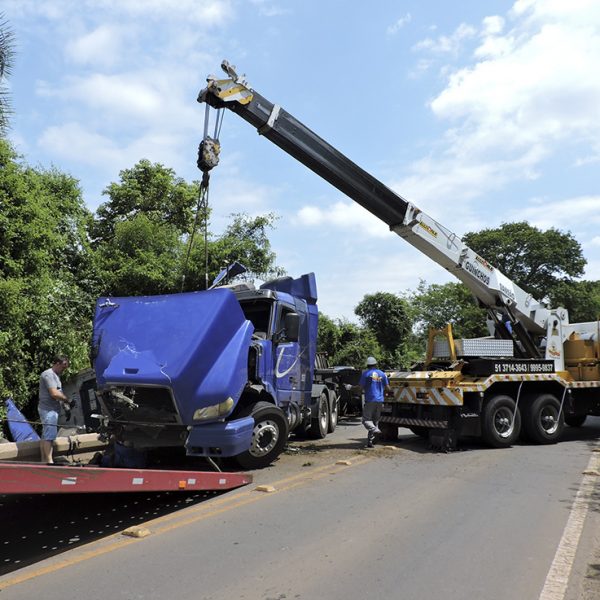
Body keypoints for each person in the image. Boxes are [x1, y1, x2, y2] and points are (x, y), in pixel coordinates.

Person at [38, 355, 70, 464]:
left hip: (52, 410)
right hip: (48, 410)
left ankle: (43, 461)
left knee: (46, 435)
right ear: (57, 364)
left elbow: (58, 392)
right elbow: (54, 393)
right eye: (63, 367)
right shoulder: (48, 375)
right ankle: (49, 462)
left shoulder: (56, 376)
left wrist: (66, 407)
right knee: (49, 437)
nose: (63, 370)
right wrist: (68, 400)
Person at [359, 356, 390, 448]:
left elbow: (360, 388)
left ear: (367, 365)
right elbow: (388, 388)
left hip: (370, 400)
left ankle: (375, 429)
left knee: (366, 420)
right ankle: (370, 442)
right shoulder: (382, 374)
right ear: (376, 364)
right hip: (380, 401)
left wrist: (350, 388)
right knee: (374, 421)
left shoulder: (366, 374)